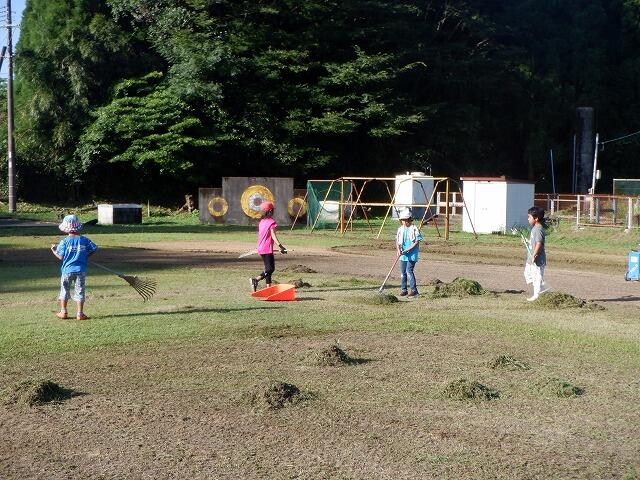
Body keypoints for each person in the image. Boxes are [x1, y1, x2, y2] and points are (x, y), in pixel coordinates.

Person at [50, 214, 98, 320]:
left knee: (64, 290)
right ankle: (80, 314)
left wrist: (54, 250)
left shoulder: (64, 242)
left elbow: (61, 257)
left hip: (67, 271)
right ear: (78, 228)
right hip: (80, 270)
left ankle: (63, 312)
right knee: (80, 291)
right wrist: (85, 256)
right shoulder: (84, 240)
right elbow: (94, 248)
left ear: (66, 229)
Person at [250, 201, 287, 292]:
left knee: (268, 269)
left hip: (261, 248)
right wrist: (280, 246)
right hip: (267, 249)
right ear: (270, 211)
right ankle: (256, 280)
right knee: (271, 269)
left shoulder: (261, 222)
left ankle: (268, 288)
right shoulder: (271, 222)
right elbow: (273, 235)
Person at [396, 208, 424, 297]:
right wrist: (398, 250)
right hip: (403, 255)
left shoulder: (414, 229)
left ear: (409, 220)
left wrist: (408, 250)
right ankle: (404, 290)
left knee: (409, 271)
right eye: (402, 220)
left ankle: (414, 290)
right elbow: (397, 241)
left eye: (405, 220)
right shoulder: (400, 229)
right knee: (403, 272)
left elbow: (416, 242)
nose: (403, 222)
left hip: (412, 254)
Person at [524, 206, 549, 301]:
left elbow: (539, 243)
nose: (528, 219)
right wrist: (528, 241)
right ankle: (541, 288)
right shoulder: (534, 228)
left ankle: (537, 295)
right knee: (527, 274)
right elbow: (534, 242)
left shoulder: (538, 229)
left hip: (537, 259)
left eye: (529, 217)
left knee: (536, 278)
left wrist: (534, 255)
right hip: (530, 259)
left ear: (536, 218)